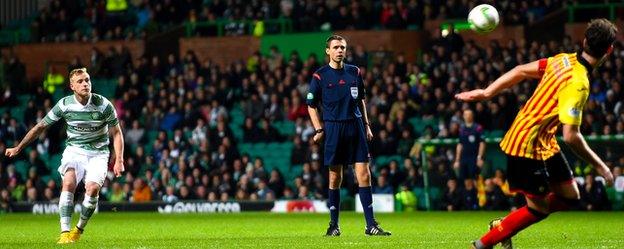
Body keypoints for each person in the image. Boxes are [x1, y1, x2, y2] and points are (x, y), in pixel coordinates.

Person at [456, 19, 617, 249]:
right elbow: (571, 136)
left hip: (544, 140)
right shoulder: (579, 83)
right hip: (525, 142)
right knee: (538, 209)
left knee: (570, 196)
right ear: (609, 50)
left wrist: (486, 92)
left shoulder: (563, 59)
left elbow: (521, 70)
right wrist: (601, 166)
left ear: (584, 41)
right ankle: (481, 245)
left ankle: (504, 225)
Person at [5, 68, 125, 244]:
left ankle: (79, 229)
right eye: (80, 81)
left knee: (92, 189)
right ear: (72, 86)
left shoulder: (103, 104)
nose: (85, 84)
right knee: (68, 183)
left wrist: (119, 159)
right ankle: (64, 233)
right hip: (74, 150)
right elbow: (40, 127)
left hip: (98, 153)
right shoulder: (64, 104)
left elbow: (116, 133)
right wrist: (19, 147)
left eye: (87, 80)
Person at [307, 35, 390, 236]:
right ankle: (334, 225)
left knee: (364, 174)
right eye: (335, 47)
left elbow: (361, 99)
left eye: (342, 47)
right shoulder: (320, 76)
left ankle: (371, 225)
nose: (340, 50)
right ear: (328, 51)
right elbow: (311, 105)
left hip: (355, 127)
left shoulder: (354, 72)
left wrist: (367, 125)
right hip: (334, 128)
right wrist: (319, 129)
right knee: (335, 177)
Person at [453, 109, 485, 182]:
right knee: (465, 179)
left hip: (474, 157)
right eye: (466, 114)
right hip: (464, 158)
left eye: (469, 114)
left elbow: (482, 143)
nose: (468, 116)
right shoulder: (462, 128)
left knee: (475, 179)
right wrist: (457, 160)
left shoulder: (478, 127)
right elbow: (460, 144)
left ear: (472, 116)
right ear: (463, 116)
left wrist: (479, 157)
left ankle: (477, 193)